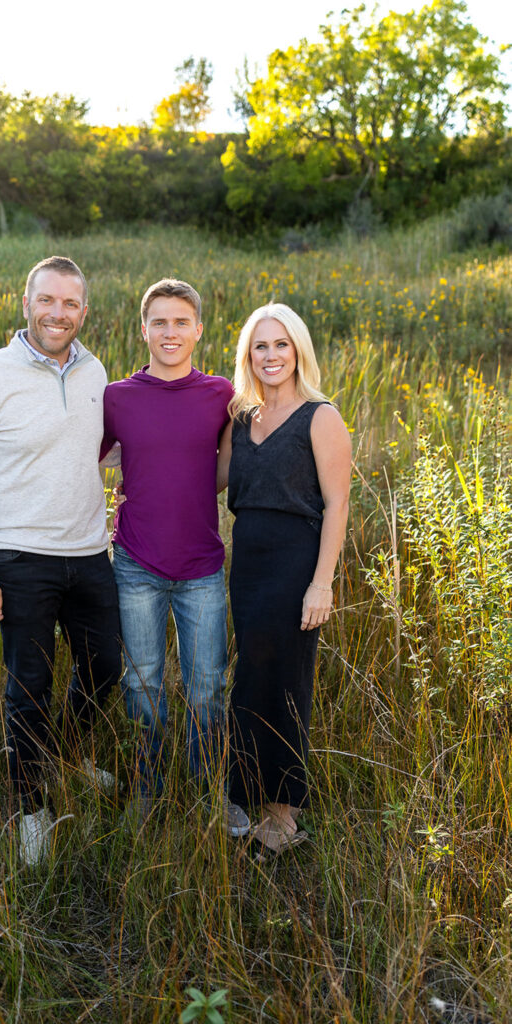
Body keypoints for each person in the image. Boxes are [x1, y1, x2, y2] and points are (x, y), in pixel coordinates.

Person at [0, 256, 121, 865]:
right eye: (47, 300)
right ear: (26, 304)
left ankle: (67, 753)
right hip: (18, 557)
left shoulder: (95, 371)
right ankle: (32, 808)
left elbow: (100, 449)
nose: (57, 314)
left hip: (89, 552)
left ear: (84, 311)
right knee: (29, 686)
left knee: (105, 668)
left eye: (70, 303)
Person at [101, 279, 250, 836]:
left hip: (202, 567)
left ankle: (210, 792)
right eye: (159, 322)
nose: (170, 332)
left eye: (181, 322)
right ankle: (148, 790)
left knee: (207, 686)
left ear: (198, 330)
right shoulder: (117, 397)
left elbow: (232, 463)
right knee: (143, 686)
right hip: (135, 564)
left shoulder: (221, 394)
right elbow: (80, 459)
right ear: (143, 330)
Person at [217, 303, 351, 854]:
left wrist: (322, 583)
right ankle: (245, 794)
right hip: (248, 563)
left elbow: (338, 504)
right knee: (251, 677)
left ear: (298, 350)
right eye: (260, 346)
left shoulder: (320, 416)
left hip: (296, 564)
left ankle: (283, 814)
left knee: (285, 682)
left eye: (281, 344)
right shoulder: (240, 418)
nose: (271, 356)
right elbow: (211, 479)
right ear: (247, 355)